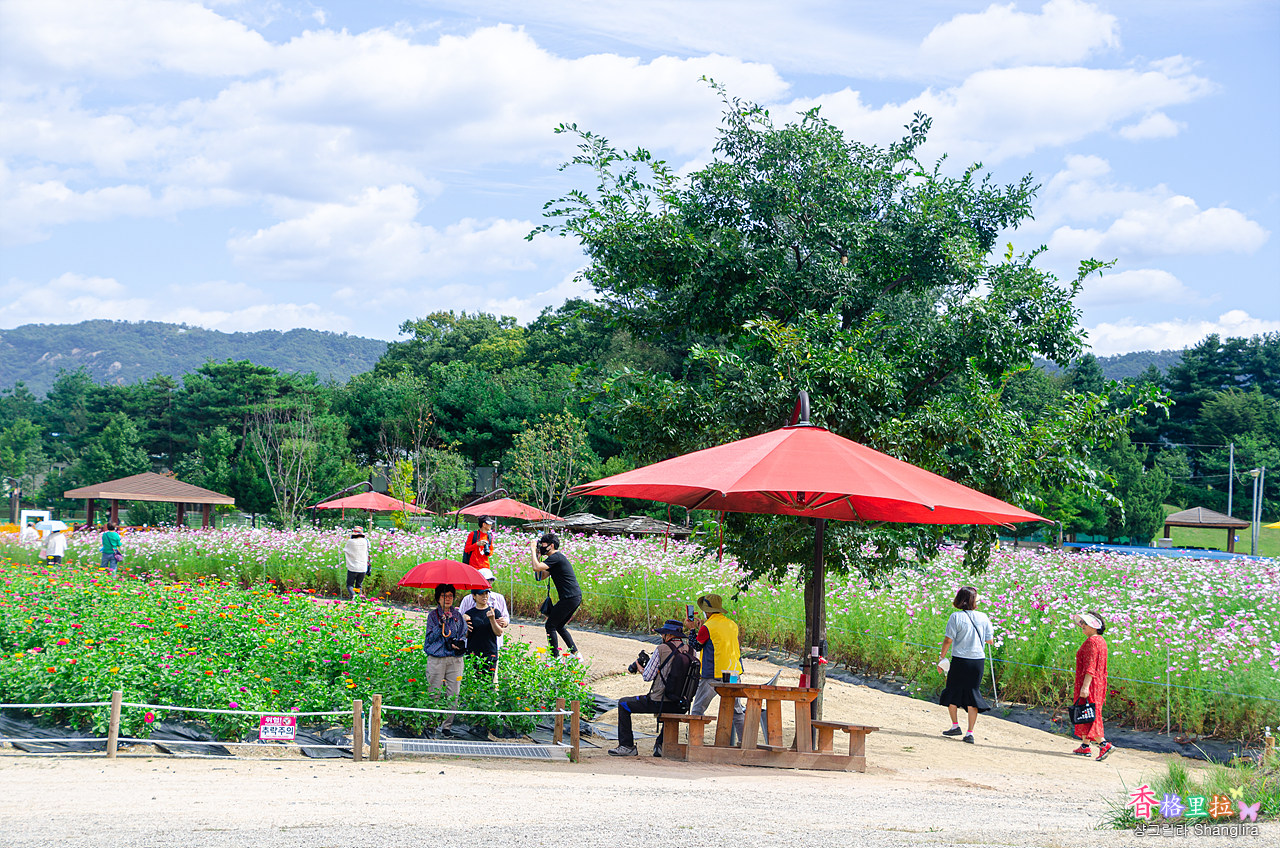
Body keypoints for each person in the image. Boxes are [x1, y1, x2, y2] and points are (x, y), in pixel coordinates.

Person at [609, 620, 695, 757]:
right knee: (670, 713)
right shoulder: (691, 650)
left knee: (623, 704)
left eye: (663, 634)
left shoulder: (661, 649)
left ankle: (627, 746)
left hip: (659, 702)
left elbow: (648, 676)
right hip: (680, 704)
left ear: (668, 635)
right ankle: (660, 744)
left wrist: (639, 667)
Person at [684, 594, 745, 745]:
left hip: (713, 673)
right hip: (734, 672)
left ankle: (694, 742)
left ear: (707, 611)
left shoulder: (707, 627)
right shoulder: (732, 624)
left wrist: (692, 630)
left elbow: (696, 645)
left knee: (698, 709)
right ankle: (745, 742)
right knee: (737, 710)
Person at [937, 586, 995, 744]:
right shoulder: (983, 617)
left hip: (960, 659)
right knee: (972, 694)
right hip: (977, 661)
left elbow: (948, 639)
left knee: (952, 691)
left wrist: (941, 658)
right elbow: (990, 640)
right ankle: (970, 732)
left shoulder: (955, 617)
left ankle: (955, 725)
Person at [423, 583, 469, 736]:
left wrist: (459, 643)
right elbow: (430, 639)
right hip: (437, 659)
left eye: (450, 596)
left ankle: (447, 726)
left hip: (454, 659)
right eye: (444, 596)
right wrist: (440, 625)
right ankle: (430, 724)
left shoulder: (458, 616)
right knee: (433, 692)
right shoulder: (432, 616)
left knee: (453, 693)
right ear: (438, 598)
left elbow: (463, 634)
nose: (447, 599)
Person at [1071, 610, 1113, 761]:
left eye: (1086, 623)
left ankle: (1104, 744)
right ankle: (1085, 746)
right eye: (1082, 623)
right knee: (1087, 711)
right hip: (1099, 682)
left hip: (1089, 683)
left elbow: (1090, 666)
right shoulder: (1101, 641)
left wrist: (1085, 687)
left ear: (1094, 626)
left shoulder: (1091, 642)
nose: (1082, 625)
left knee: (1089, 713)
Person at [530, 532, 581, 657]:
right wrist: (538, 556)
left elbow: (536, 567)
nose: (541, 547)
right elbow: (540, 576)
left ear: (551, 545)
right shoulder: (555, 559)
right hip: (572, 597)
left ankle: (555, 657)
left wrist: (532, 550)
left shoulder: (556, 557)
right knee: (558, 625)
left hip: (570, 597)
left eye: (543, 545)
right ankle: (576, 654)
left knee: (550, 625)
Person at [457, 567, 510, 650]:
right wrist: (464, 619)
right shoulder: (467, 599)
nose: (487, 583)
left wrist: (504, 622)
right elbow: (459, 618)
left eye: (490, 580)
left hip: (493, 643)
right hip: (473, 642)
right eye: (485, 580)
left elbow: (506, 617)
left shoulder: (499, 598)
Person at [462, 587, 504, 679]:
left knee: (488, 683)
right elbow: (465, 635)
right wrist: (464, 626)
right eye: (481, 594)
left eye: (486, 593)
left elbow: (499, 632)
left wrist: (492, 619)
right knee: (473, 682)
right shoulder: (469, 614)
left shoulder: (494, 612)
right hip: (473, 654)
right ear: (474, 596)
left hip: (490, 654)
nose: (484, 596)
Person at [343, 527, 369, 599]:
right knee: (359, 585)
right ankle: (358, 598)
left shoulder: (350, 542)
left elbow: (345, 550)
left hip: (353, 567)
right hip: (363, 567)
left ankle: (353, 596)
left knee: (349, 584)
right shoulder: (365, 541)